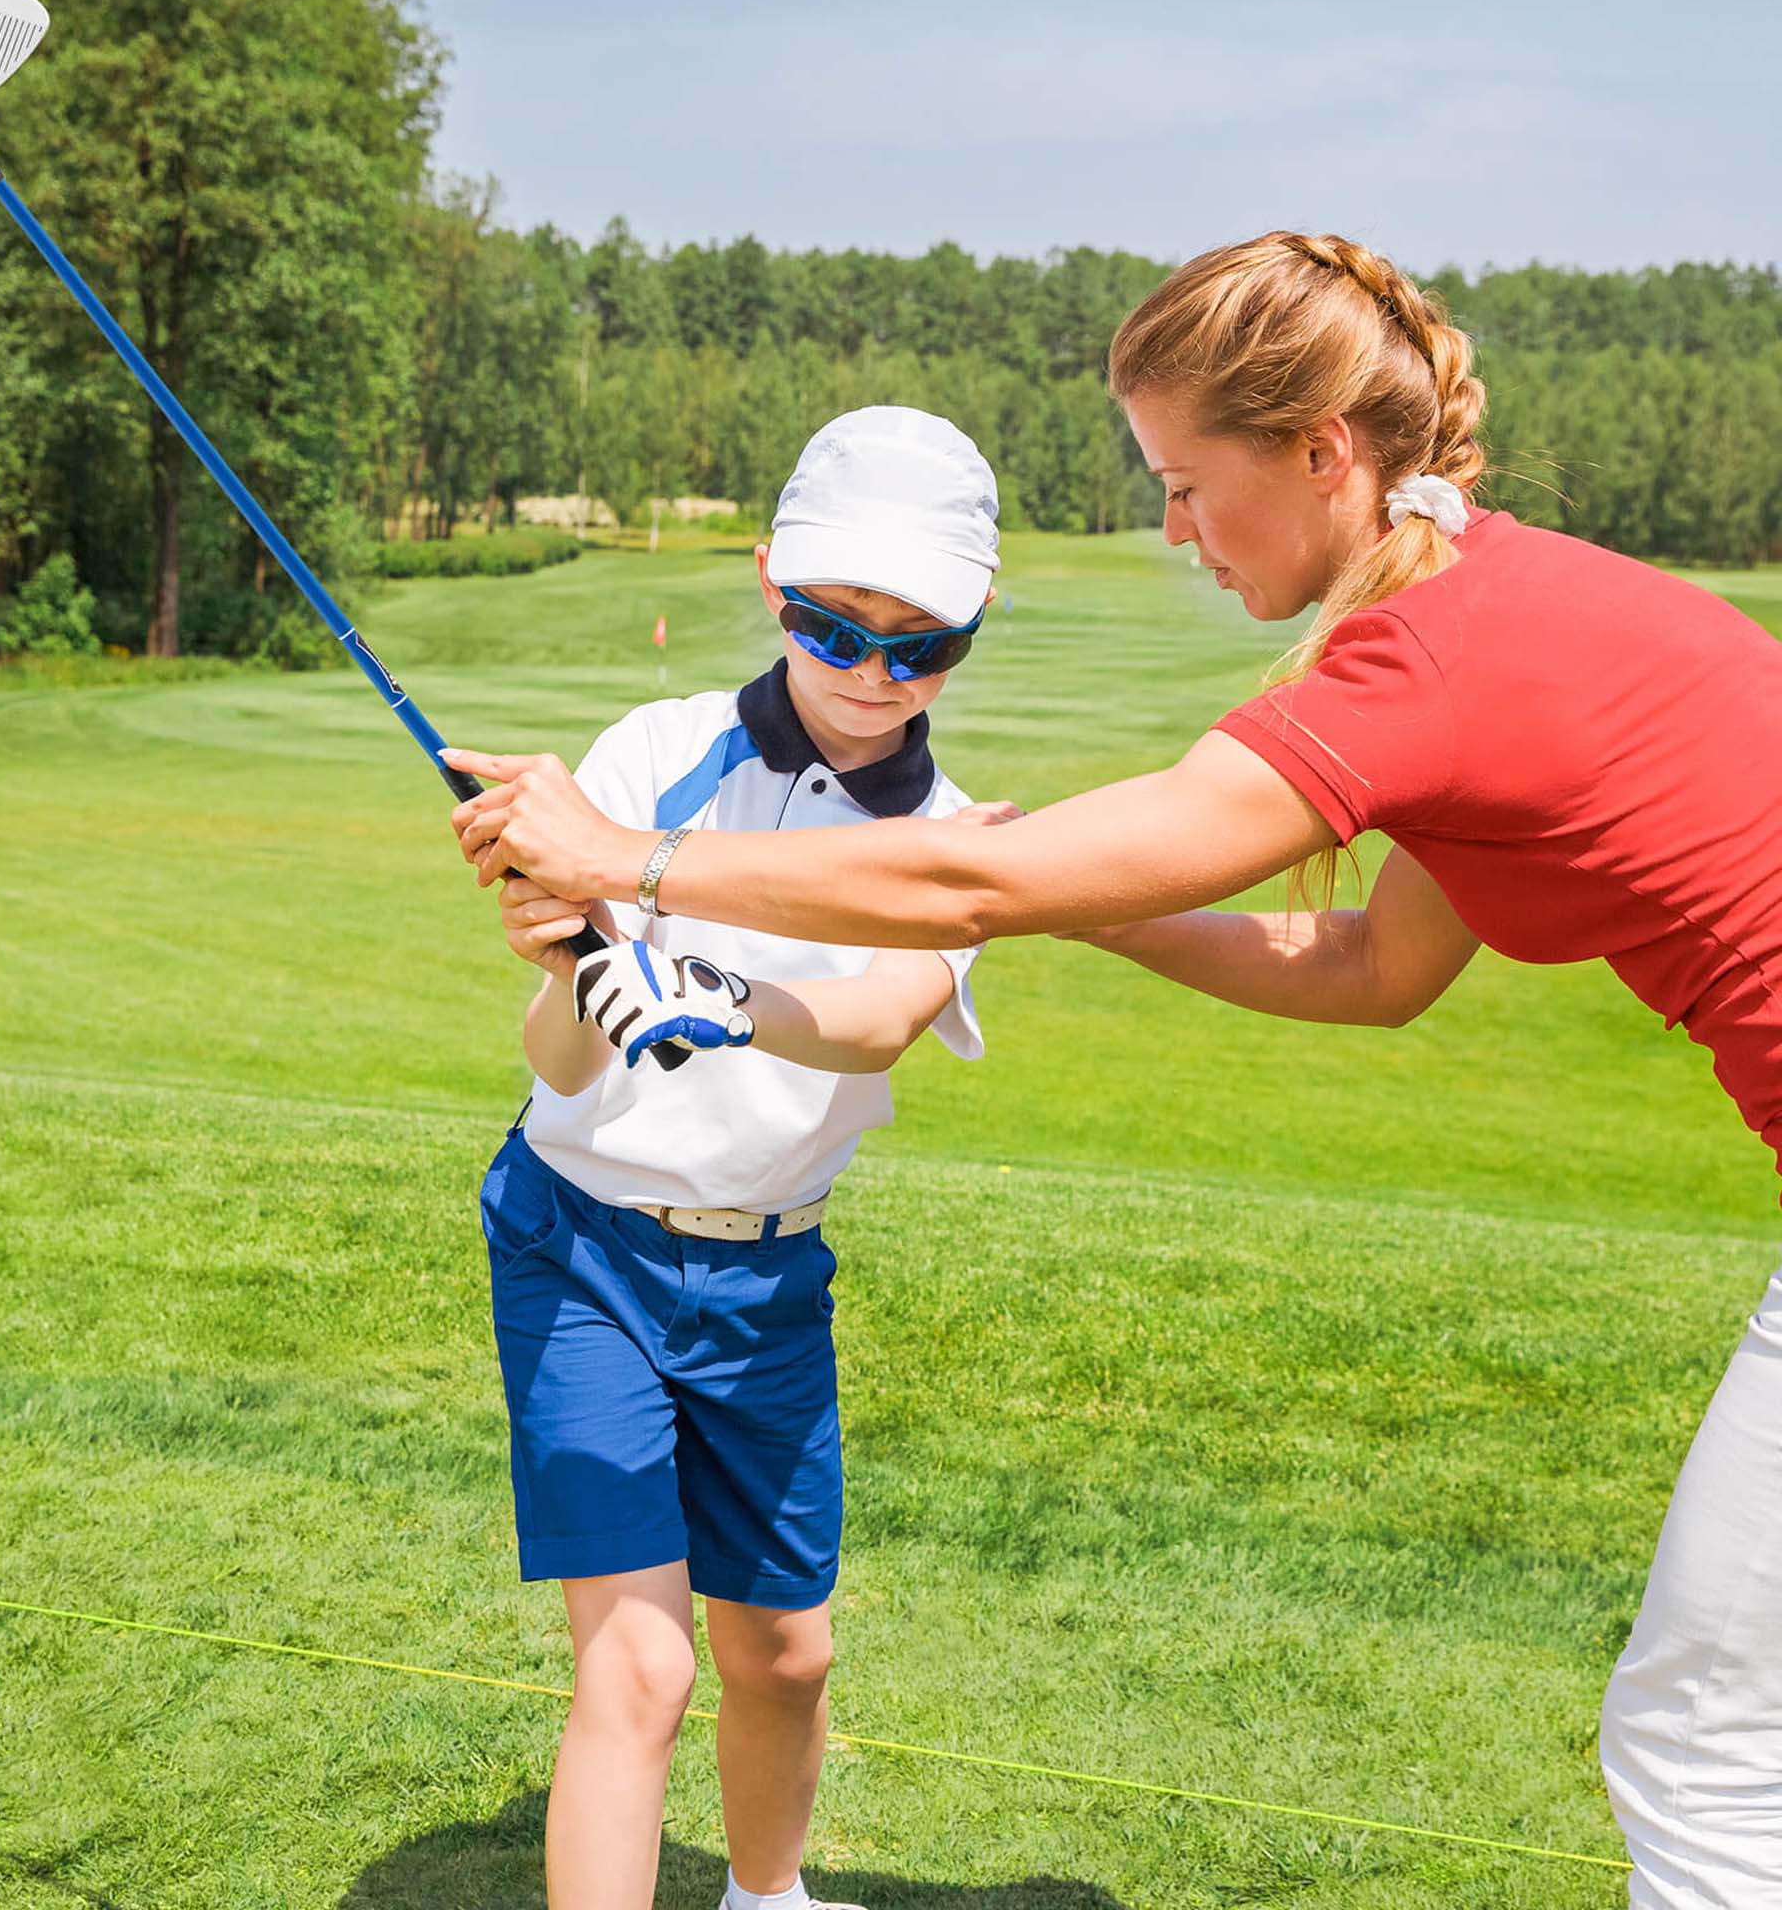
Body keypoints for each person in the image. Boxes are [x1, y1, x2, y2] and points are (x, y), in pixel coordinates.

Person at [447, 232, 1782, 1909]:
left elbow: (965, 885)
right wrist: (1097, 919)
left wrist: (623, 858)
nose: (1170, 529)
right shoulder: (1485, 599)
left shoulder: (1427, 659)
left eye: (1181, 481)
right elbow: (1369, 969)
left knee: (1707, 1750)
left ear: (1320, 455)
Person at [471, 404, 1005, 1910]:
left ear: (974, 630)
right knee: (638, 1665)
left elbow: (888, 1013)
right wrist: (574, 968)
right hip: (580, 1241)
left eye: (924, 646)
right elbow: (559, 1066)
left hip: (769, 1273)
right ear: (772, 585)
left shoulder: (953, 837)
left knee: (786, 1649)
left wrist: (719, 996)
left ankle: (768, 1900)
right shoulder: (653, 753)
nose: (874, 676)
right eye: (838, 630)